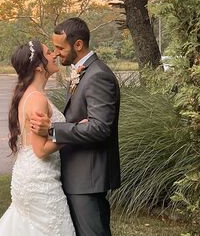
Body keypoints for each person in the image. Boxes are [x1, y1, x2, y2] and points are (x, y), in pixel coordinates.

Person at [31, 17, 121, 236]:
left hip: (88, 178)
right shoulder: (85, 72)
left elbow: (100, 128)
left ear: (78, 44)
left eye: (60, 48)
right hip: (78, 176)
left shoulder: (98, 75)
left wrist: (52, 130)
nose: (56, 53)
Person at [0, 40, 76, 236]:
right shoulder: (36, 99)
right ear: (38, 66)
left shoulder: (28, 94)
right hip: (40, 180)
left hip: (27, 173)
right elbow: (41, 150)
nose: (54, 54)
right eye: (48, 53)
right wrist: (72, 132)